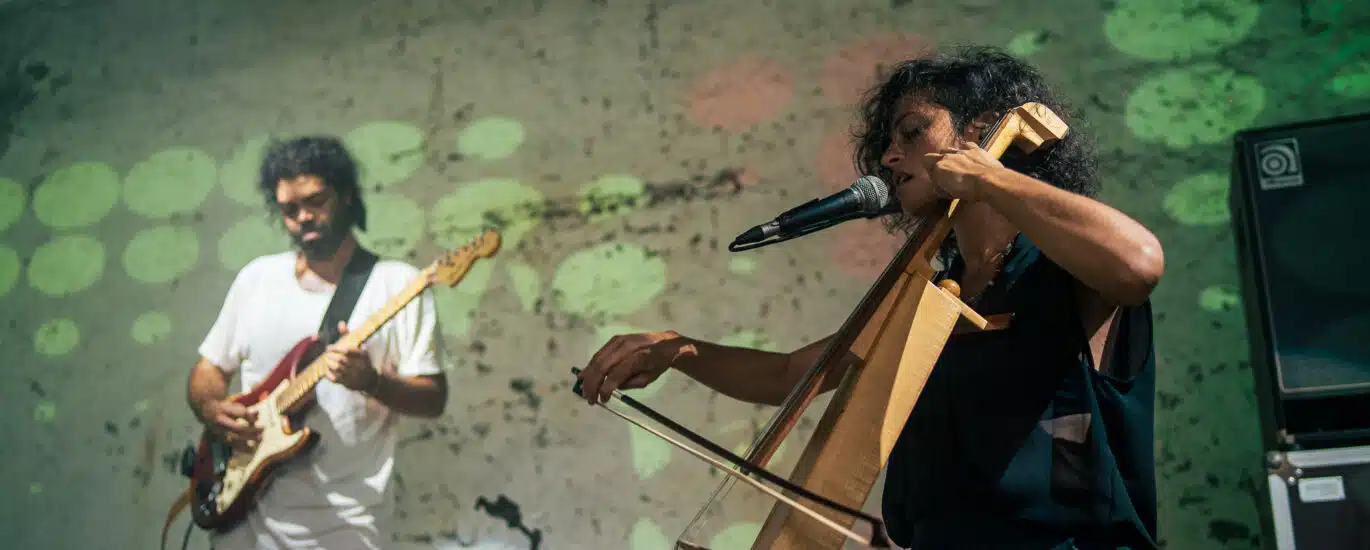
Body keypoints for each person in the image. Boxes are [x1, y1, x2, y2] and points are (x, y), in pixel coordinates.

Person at [577, 45, 1165, 550]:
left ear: (983, 130)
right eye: (887, 143)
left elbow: (1139, 265)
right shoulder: (927, 295)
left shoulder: (1061, 266)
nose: (888, 157)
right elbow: (788, 376)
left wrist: (990, 175)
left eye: (912, 132)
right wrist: (677, 350)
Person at [185, 136, 448, 549]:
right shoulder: (257, 279)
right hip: (244, 517)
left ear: (346, 195)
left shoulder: (398, 284)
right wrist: (211, 408)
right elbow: (209, 368)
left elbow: (433, 398)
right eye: (289, 209)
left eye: (315, 201)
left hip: (346, 525)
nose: (303, 217)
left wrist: (372, 382)